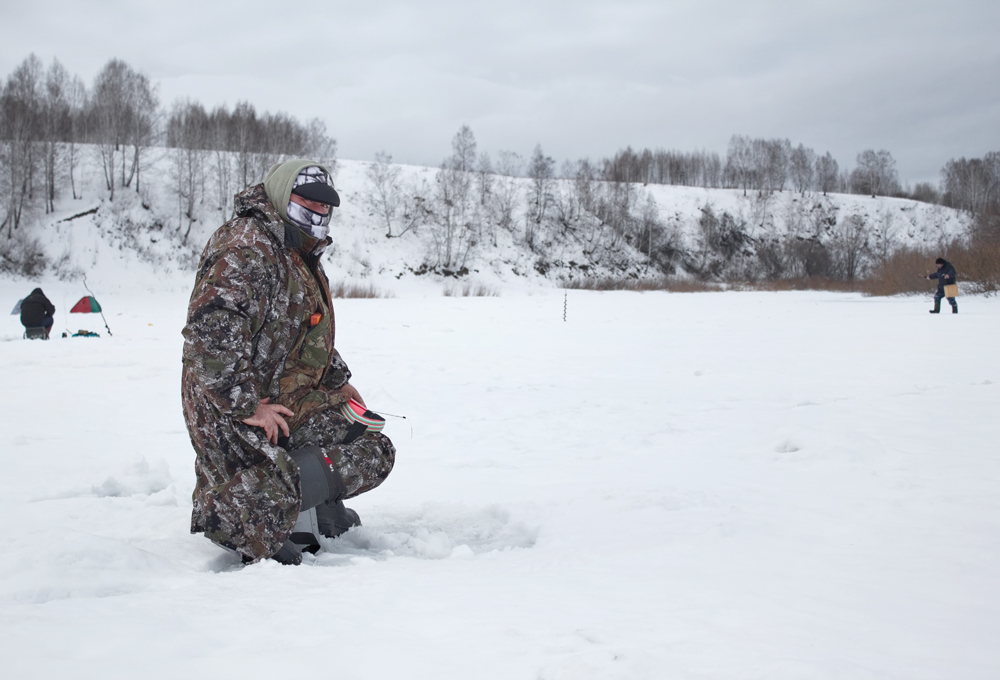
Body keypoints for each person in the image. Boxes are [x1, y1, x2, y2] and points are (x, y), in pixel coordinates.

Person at [181, 159, 396, 565]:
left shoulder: (293, 248)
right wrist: (247, 405)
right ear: (282, 196)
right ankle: (243, 515)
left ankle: (316, 508)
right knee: (372, 453)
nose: (317, 214)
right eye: (307, 203)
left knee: (360, 432)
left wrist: (336, 380)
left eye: (324, 209)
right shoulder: (247, 248)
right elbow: (208, 336)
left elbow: (302, 331)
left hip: (275, 395)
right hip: (233, 411)